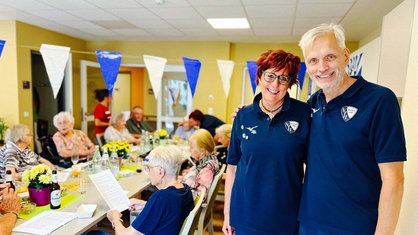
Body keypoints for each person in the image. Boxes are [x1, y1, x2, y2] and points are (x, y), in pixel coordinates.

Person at [297, 23, 406, 235]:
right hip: (309, 225)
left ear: (345, 56)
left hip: (356, 227)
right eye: (313, 60)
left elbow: (394, 179)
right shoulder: (313, 103)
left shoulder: (379, 101)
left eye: (330, 57)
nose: (322, 67)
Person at [222, 49, 310, 235]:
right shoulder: (243, 116)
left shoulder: (304, 114)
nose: (275, 84)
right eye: (270, 75)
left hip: (287, 217)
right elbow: (232, 167)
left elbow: (315, 166)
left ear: (291, 83)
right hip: (245, 215)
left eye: (283, 78)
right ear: (259, 77)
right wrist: (227, 213)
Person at [106, 145, 194, 235]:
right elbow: (171, 210)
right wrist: (146, 205)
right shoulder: (185, 190)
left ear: (161, 172)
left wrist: (115, 219)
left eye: (149, 168)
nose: (148, 172)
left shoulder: (161, 197)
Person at [180, 129, 219, 199]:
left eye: (191, 148)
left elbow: (200, 196)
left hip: (183, 200)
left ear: (202, 151)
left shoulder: (207, 170)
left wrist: (178, 188)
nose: (189, 150)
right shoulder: (207, 161)